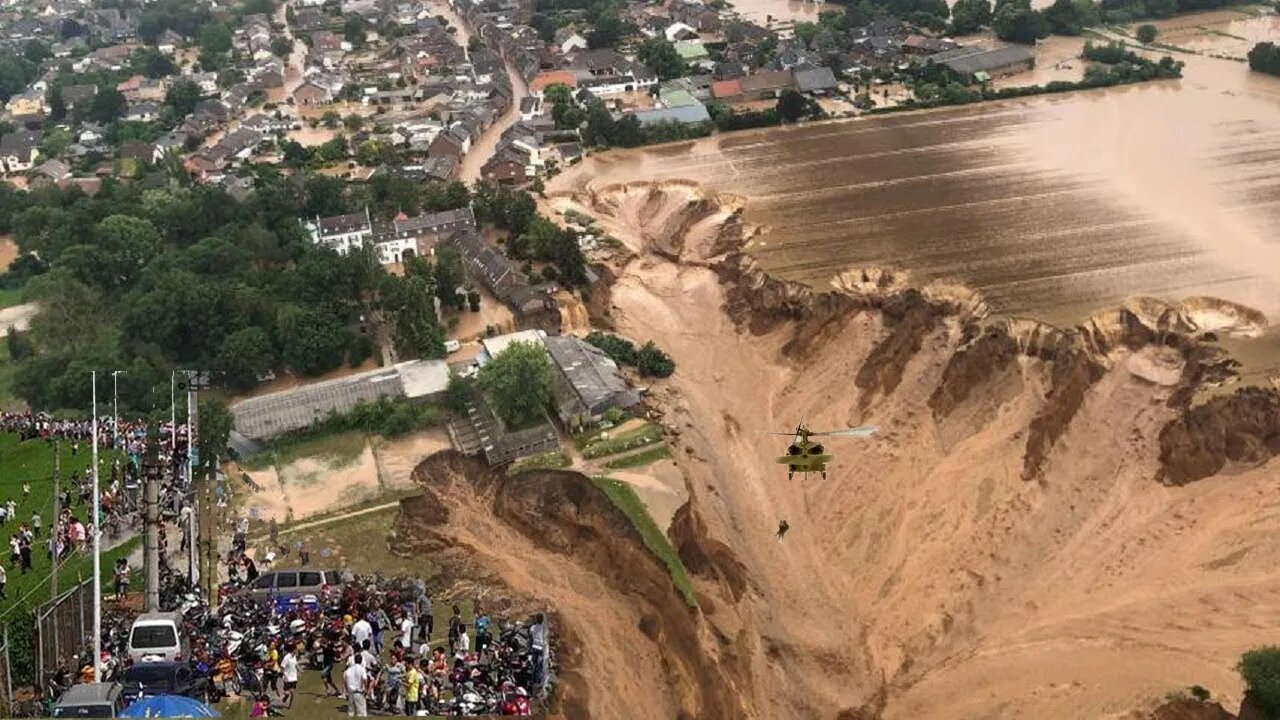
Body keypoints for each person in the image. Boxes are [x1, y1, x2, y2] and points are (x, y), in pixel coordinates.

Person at [281, 644, 299, 708]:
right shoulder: (286, 657)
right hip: (287, 678)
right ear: (293, 650)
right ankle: (286, 696)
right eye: (296, 649)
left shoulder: (294, 657)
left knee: (292, 693)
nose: (297, 650)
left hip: (294, 678)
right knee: (287, 693)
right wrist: (284, 676)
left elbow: (296, 664)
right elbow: (282, 667)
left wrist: (299, 670)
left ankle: (289, 706)